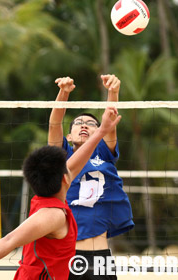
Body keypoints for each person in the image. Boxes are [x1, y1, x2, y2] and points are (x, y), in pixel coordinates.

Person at [0, 107, 122, 280]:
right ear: (66, 180)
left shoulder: (46, 198)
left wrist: (101, 131)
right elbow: (8, 241)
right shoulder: (53, 215)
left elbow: (78, 161)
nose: (71, 170)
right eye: (68, 172)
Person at [48, 75, 134, 280]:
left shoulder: (103, 152)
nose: (84, 125)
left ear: (99, 132)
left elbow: (111, 121)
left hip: (99, 258)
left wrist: (113, 92)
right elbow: (54, 124)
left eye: (91, 123)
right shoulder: (63, 155)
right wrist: (64, 93)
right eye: (78, 123)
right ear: (69, 136)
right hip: (68, 255)